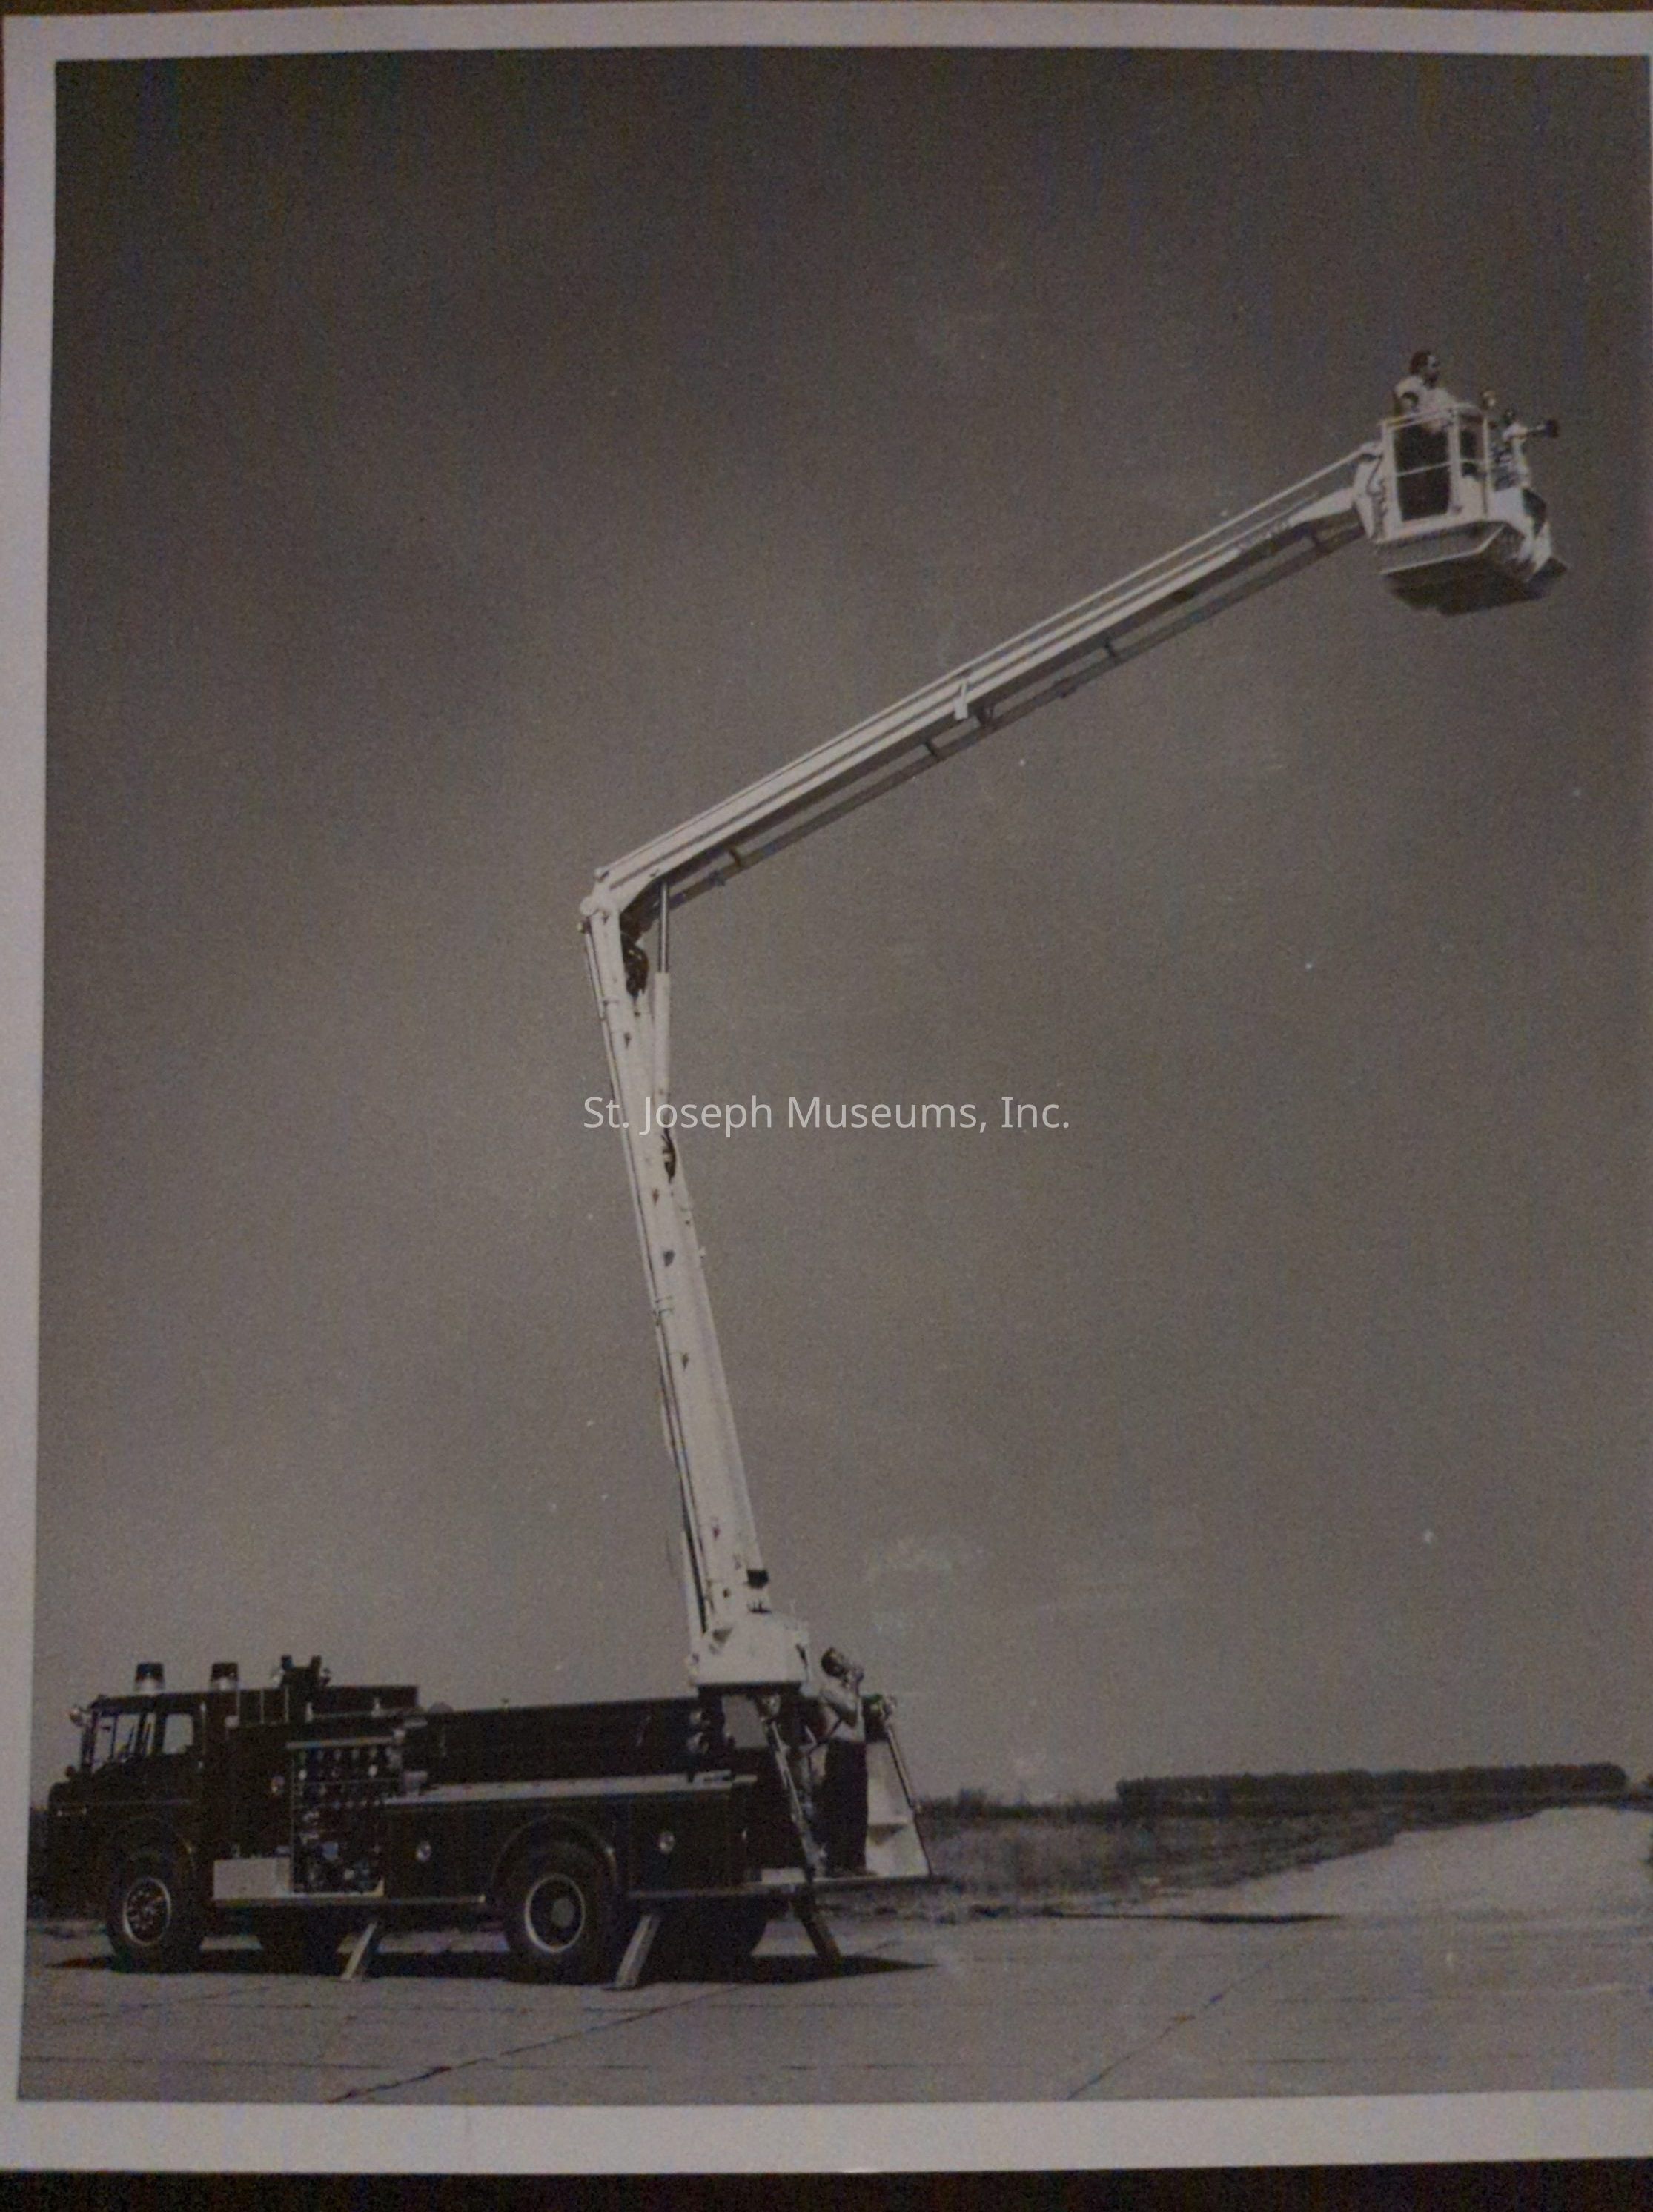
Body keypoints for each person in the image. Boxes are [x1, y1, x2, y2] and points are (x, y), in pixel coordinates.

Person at [1392, 349, 1459, 425]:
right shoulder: (1410, 385)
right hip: (1419, 433)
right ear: (1421, 368)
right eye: (1434, 366)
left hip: (1442, 433)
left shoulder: (1439, 393)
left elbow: (1456, 409)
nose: (1438, 370)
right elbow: (1407, 412)